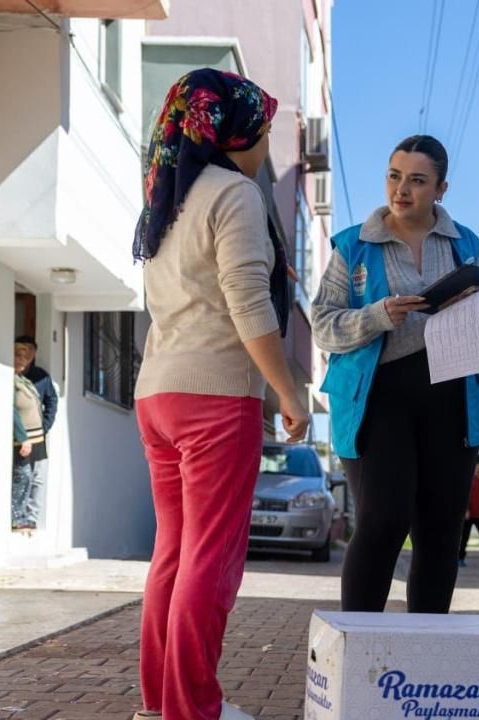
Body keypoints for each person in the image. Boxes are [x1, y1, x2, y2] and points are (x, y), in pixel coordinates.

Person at [130, 69, 310, 720]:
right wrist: (288, 392)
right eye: (263, 128)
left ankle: (161, 706)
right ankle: (194, 709)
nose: (267, 143)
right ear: (236, 132)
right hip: (213, 397)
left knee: (173, 555)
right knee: (209, 560)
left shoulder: (165, 201)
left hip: (158, 394)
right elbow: (247, 301)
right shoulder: (233, 194)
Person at [314, 134, 479, 614]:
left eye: (417, 181)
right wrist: (377, 315)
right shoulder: (353, 246)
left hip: (450, 397)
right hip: (377, 399)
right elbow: (322, 325)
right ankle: (358, 650)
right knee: (382, 523)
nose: (402, 190)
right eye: (394, 176)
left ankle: (426, 651)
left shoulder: (466, 244)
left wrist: (470, 312)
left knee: (440, 532)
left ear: (440, 188)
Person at [14, 336, 56, 530]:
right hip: (20, 436)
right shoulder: (14, 374)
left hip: (39, 436)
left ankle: (31, 518)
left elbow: (51, 401)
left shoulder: (41, 376)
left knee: (38, 477)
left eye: (29, 351)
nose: (24, 355)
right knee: (23, 474)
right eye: (20, 351)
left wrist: (45, 426)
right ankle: (18, 516)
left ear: (34, 353)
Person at [11, 366, 44, 534]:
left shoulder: (24, 380)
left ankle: (25, 517)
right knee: (22, 476)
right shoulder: (11, 381)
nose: (21, 360)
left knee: (33, 478)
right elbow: (13, 410)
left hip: (36, 438)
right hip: (23, 438)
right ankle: (16, 517)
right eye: (18, 354)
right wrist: (22, 436)